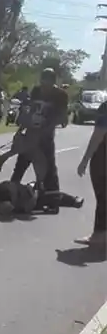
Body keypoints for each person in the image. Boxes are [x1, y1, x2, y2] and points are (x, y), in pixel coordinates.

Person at [0, 68, 69, 210]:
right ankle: (10, 194)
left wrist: (47, 128)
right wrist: (20, 130)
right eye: (42, 82)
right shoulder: (36, 91)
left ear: (53, 82)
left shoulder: (61, 95)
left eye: (47, 83)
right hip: (30, 133)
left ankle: (53, 202)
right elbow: (30, 110)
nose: (44, 86)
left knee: (49, 169)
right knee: (21, 164)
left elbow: (62, 118)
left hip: (46, 136)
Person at [74, 102, 107, 248]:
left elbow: (99, 134)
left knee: (103, 197)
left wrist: (85, 160)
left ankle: (100, 235)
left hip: (103, 157)